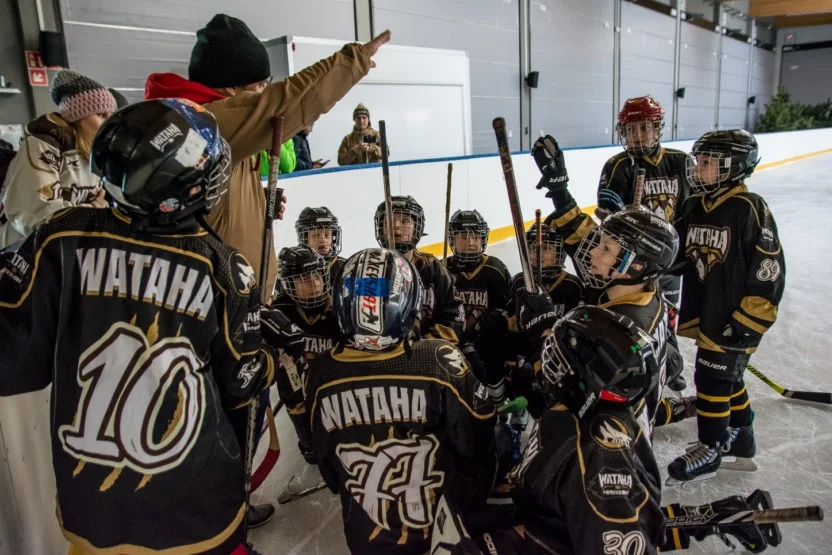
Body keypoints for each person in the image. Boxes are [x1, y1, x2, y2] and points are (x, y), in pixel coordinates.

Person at [0, 99, 302, 554]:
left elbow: (15, 363)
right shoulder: (220, 267)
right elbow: (240, 388)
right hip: (192, 512)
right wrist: (263, 352)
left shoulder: (59, 238)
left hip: (92, 507)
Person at [443, 304, 781, 555]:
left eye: (553, 359)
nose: (543, 367)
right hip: (548, 522)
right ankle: (722, 516)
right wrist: (703, 519)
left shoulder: (596, 452)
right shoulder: (576, 416)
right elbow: (612, 519)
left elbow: (616, 537)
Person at [145, 13, 392, 286]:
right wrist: (352, 62)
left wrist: (251, 202)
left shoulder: (204, 124)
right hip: (221, 300)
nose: (265, 92)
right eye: (260, 86)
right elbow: (289, 103)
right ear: (230, 88)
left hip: (231, 293)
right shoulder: (208, 123)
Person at [302, 247, 497, 554]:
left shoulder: (320, 372)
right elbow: (478, 443)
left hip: (365, 536)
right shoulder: (438, 360)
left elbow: (326, 465)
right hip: (440, 532)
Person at [531, 135, 693, 431]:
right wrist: (559, 189)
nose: (594, 251)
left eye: (605, 248)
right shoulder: (641, 290)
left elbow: (572, 391)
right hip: (638, 409)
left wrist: (543, 329)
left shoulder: (619, 324)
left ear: (638, 264)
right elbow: (580, 233)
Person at [666, 130, 785, 484]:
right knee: (729, 378)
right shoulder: (693, 206)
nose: (698, 169)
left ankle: (711, 447)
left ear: (734, 167)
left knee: (712, 377)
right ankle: (742, 438)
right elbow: (675, 252)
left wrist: (750, 317)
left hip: (736, 315)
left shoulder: (750, 208)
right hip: (710, 312)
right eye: (699, 161)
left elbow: (769, 267)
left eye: (707, 163)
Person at [592, 95, 691, 390]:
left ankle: (668, 360)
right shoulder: (616, 166)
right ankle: (640, 364)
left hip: (669, 259)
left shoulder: (680, 162)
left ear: (657, 127)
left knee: (667, 313)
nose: (638, 135)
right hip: (634, 263)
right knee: (637, 314)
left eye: (644, 128)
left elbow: (689, 209)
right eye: (631, 129)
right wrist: (613, 210)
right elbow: (610, 224)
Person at [0, 69, 114, 248]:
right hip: (26, 255)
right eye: (101, 115)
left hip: (62, 251)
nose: (109, 122)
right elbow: (35, 215)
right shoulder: (43, 144)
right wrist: (93, 211)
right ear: (77, 117)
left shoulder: (89, 152)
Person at [271, 245, 339, 504]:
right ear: (289, 284)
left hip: (331, 387)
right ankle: (310, 445)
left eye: (317, 277)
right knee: (310, 449)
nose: (313, 284)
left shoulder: (337, 309)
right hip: (297, 387)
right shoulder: (279, 310)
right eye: (303, 279)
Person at [374, 195, 465, 344]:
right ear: (380, 227)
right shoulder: (370, 268)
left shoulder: (432, 268)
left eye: (404, 221)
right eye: (389, 221)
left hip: (426, 352)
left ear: (417, 227)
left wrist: (425, 345)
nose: (396, 226)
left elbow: (454, 316)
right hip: (383, 354)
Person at [295, 206, 346, 285]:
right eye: (315, 235)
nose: (323, 240)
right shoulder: (293, 267)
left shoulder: (345, 267)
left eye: (327, 235)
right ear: (305, 239)